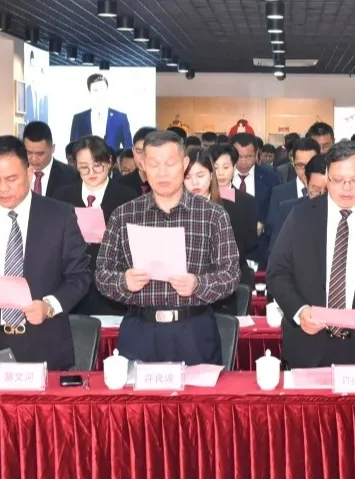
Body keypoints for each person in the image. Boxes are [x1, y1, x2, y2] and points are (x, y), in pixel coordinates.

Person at [0, 136, 91, 369]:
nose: (3, 188)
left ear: (29, 172)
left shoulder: (60, 216)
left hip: (46, 346)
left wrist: (49, 306)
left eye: (11, 179)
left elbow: (80, 275)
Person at [95, 131, 240, 365]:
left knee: (197, 391)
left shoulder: (213, 215)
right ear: (143, 166)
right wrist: (123, 282)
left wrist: (198, 284)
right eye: (154, 165)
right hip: (139, 331)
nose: (162, 173)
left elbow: (231, 274)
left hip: (194, 331)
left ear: (184, 164)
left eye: (170, 164)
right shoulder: (124, 215)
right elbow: (102, 275)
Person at [267, 141, 355, 367]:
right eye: (338, 180)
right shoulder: (302, 216)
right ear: (327, 176)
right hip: (309, 348)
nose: (346, 188)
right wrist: (299, 311)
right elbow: (277, 273)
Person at [52, 136, 138, 315]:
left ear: (109, 161)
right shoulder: (62, 196)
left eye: (97, 165)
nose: (91, 172)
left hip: (112, 288)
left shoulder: (128, 197)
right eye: (84, 167)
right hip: (72, 286)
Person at [191, 146, 258, 281]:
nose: (220, 173)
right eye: (216, 168)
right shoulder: (197, 197)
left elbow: (251, 242)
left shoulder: (247, 201)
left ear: (234, 168)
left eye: (226, 167)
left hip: (236, 271)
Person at [230, 132, 281, 268]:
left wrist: (263, 222)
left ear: (257, 154)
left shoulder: (270, 177)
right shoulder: (222, 177)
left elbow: (275, 208)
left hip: (260, 246)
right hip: (229, 245)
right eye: (239, 156)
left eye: (249, 156)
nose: (244, 161)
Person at [269, 153, 328, 254]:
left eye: (327, 191)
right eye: (316, 190)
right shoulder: (289, 210)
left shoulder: (344, 213)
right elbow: (275, 253)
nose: (321, 196)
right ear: (306, 182)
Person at [266, 137, 320, 237]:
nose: (306, 170)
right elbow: (271, 229)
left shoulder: (328, 191)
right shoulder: (279, 193)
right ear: (292, 163)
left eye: (310, 164)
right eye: (300, 165)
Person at [69, 74, 133, 151]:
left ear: (107, 91)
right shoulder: (79, 119)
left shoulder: (120, 118)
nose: (99, 94)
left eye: (102, 89)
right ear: (89, 92)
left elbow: (128, 149)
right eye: (95, 90)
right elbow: (72, 149)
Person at [22, 121, 80, 197]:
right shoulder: (17, 173)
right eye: (29, 153)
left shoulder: (71, 175)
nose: (34, 159)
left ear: (52, 148)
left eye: (40, 154)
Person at [116, 126, 156, 195]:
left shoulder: (170, 182)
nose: (143, 157)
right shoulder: (120, 185)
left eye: (149, 152)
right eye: (139, 151)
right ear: (133, 151)